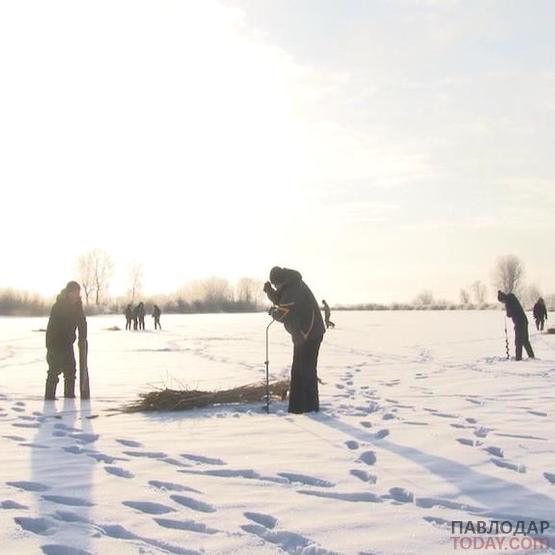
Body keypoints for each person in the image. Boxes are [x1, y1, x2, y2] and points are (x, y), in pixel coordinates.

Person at [264, 267, 325, 414]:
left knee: (304, 371)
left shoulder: (293, 289)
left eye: (275, 285)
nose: (276, 287)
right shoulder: (291, 284)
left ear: (281, 281)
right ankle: (306, 407)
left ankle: (303, 408)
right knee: (301, 370)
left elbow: (284, 314)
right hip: (305, 335)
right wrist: (270, 292)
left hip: (309, 335)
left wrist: (273, 312)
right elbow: (281, 298)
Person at [44, 281, 87, 400]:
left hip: (67, 344)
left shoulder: (78, 306)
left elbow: (82, 322)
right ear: (69, 292)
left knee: (71, 371)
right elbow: (55, 326)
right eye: (75, 292)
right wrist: (51, 345)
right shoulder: (59, 305)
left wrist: (82, 338)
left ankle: (69, 397)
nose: (77, 295)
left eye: (78, 292)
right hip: (55, 343)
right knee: (54, 371)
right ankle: (49, 399)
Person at [498, 290, 535, 361]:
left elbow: (509, 314)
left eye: (502, 301)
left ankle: (518, 358)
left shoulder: (508, 301)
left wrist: (507, 309)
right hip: (523, 321)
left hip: (519, 322)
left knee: (518, 341)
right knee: (525, 340)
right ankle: (531, 356)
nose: (503, 303)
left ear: (503, 299)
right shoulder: (512, 298)